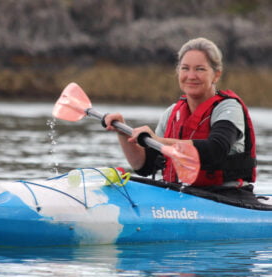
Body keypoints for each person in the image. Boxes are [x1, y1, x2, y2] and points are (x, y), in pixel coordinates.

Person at [104, 37, 256, 191]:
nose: (191, 76)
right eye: (185, 68)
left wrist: (158, 140)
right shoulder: (172, 113)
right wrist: (122, 132)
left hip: (226, 196)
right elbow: (144, 167)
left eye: (200, 69)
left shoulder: (228, 108)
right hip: (180, 195)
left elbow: (215, 149)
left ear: (216, 75)